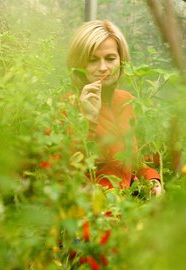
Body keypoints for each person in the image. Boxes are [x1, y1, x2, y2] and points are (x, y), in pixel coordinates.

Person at [66, 19, 162, 196]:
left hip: (127, 211)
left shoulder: (128, 101)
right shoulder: (67, 105)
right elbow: (63, 171)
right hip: (90, 214)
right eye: (92, 60)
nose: (103, 68)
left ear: (121, 61)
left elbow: (136, 160)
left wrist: (151, 179)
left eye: (110, 58)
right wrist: (88, 121)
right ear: (79, 64)